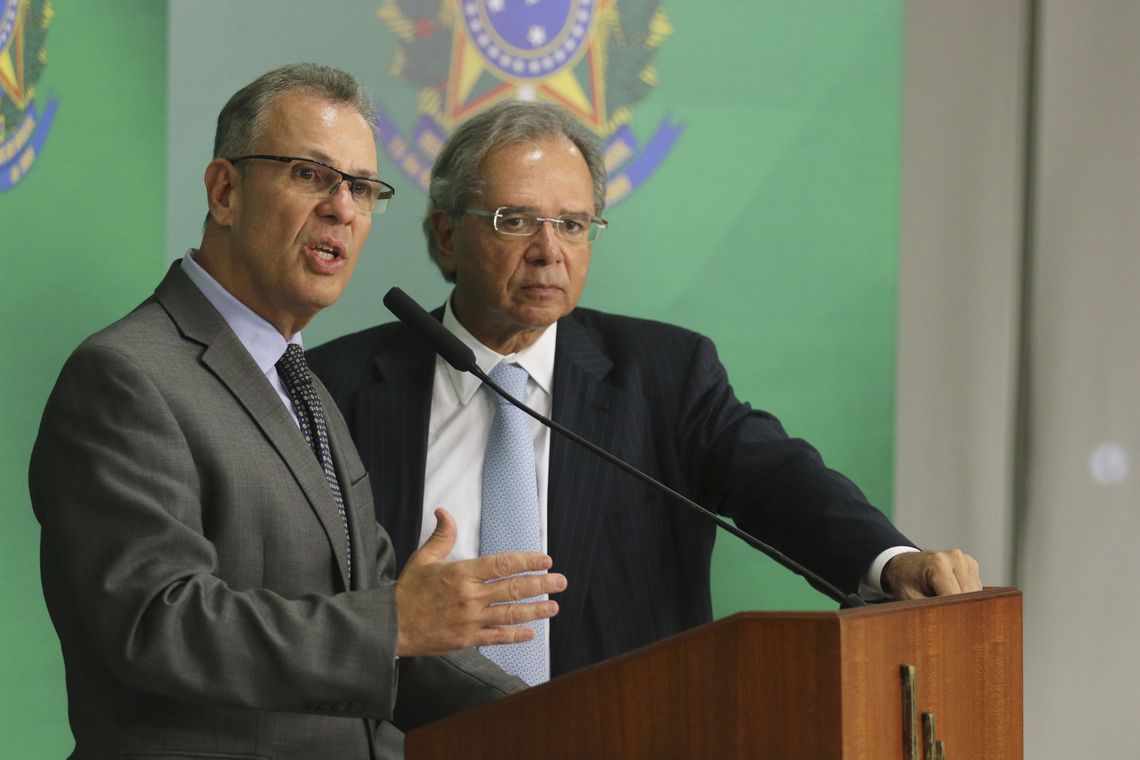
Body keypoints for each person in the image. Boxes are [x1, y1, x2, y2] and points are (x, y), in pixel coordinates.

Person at [307, 100, 981, 683]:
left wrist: (891, 561)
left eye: (572, 224)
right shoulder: (340, 385)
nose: (550, 250)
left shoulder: (663, 373)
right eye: (516, 220)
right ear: (447, 235)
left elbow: (775, 478)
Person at [29, 65, 567, 759]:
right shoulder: (128, 376)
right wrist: (394, 622)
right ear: (225, 191)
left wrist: (563, 720)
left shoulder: (299, 382)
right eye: (311, 176)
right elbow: (156, 624)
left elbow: (378, 613)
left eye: (364, 188)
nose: (344, 208)